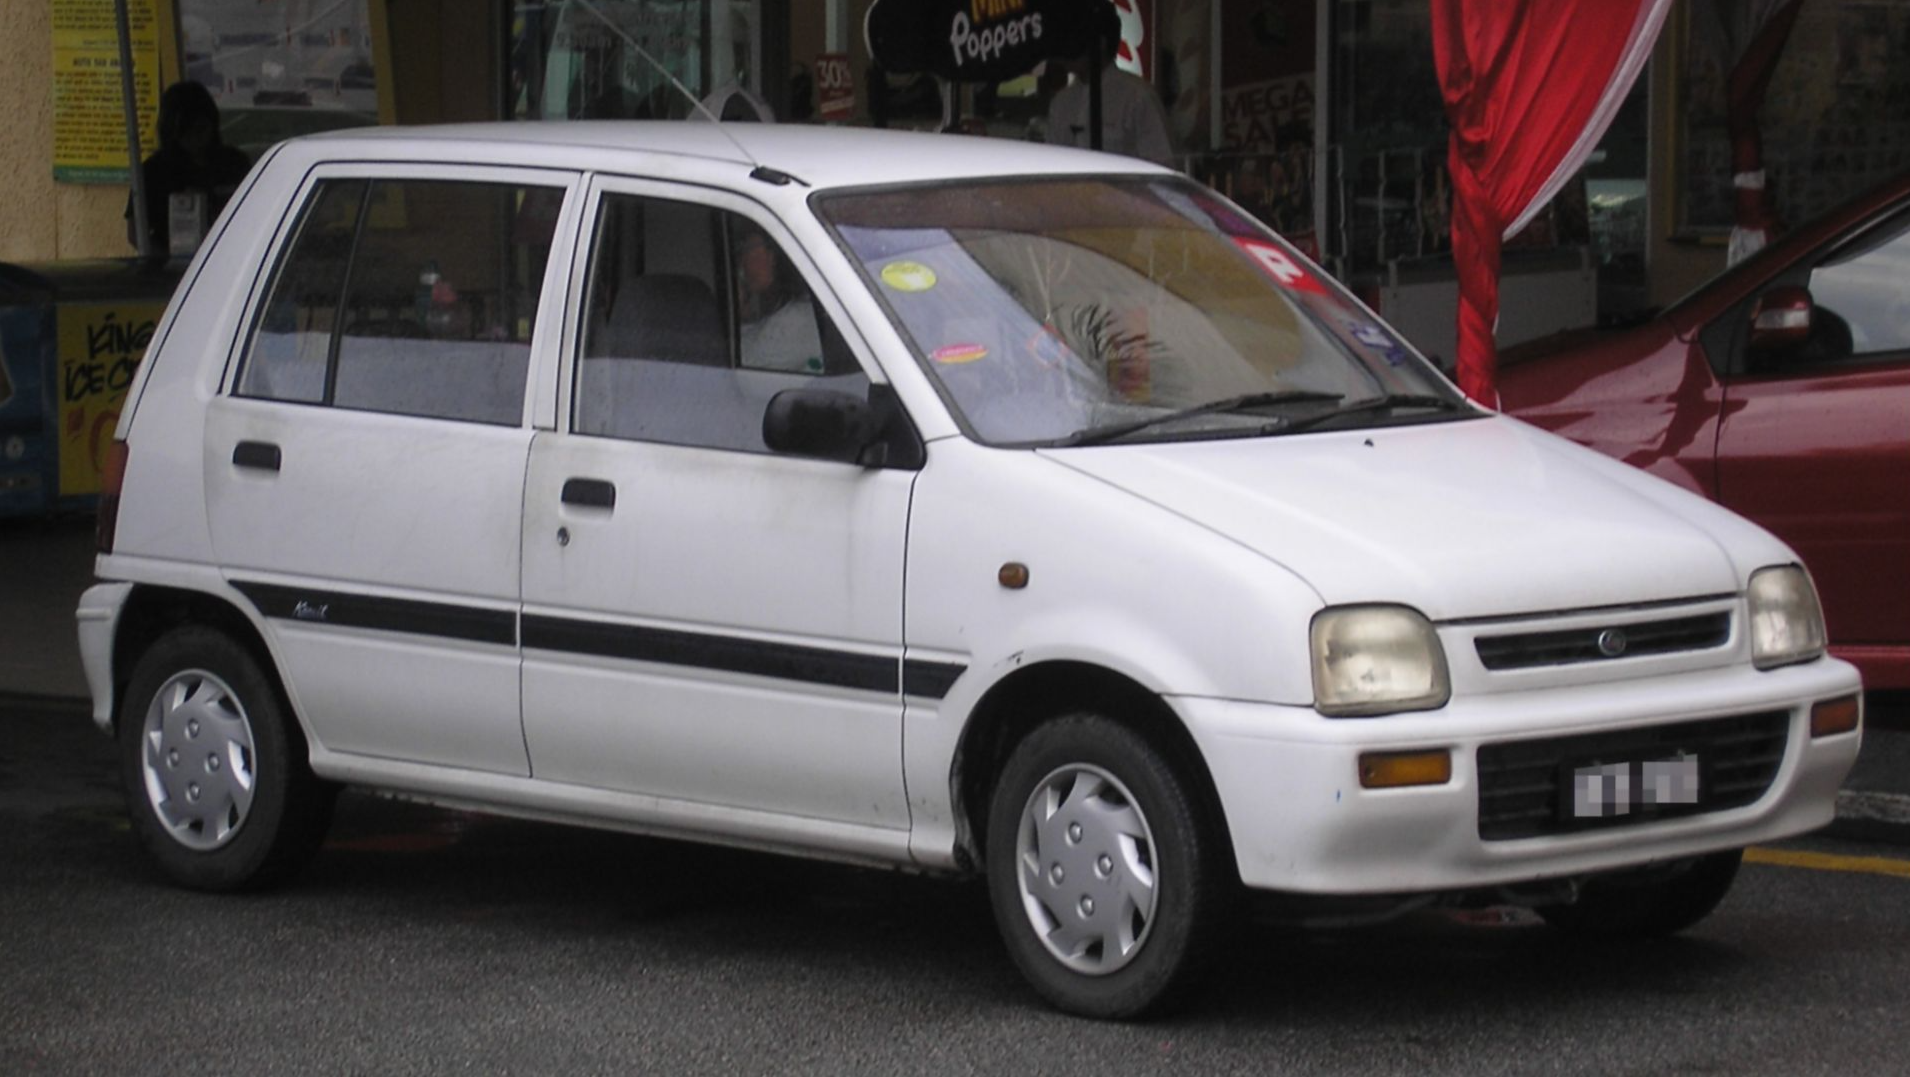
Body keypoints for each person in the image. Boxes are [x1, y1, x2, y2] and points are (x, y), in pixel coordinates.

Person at [126, 81, 252, 256]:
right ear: (172, 131)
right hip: (173, 262)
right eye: (186, 131)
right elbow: (135, 232)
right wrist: (165, 259)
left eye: (201, 128)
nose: (196, 138)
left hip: (231, 255)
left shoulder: (234, 163)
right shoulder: (154, 171)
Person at [1044, 1, 1176, 167]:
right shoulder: (1061, 103)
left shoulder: (1137, 97)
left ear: (1100, 43)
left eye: (1074, 39)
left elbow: (1162, 165)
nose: (1066, 49)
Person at [733, 225, 825, 374]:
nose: (743, 263)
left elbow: (739, 363)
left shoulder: (798, 319)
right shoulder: (772, 311)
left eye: (750, 252)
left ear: (773, 257)